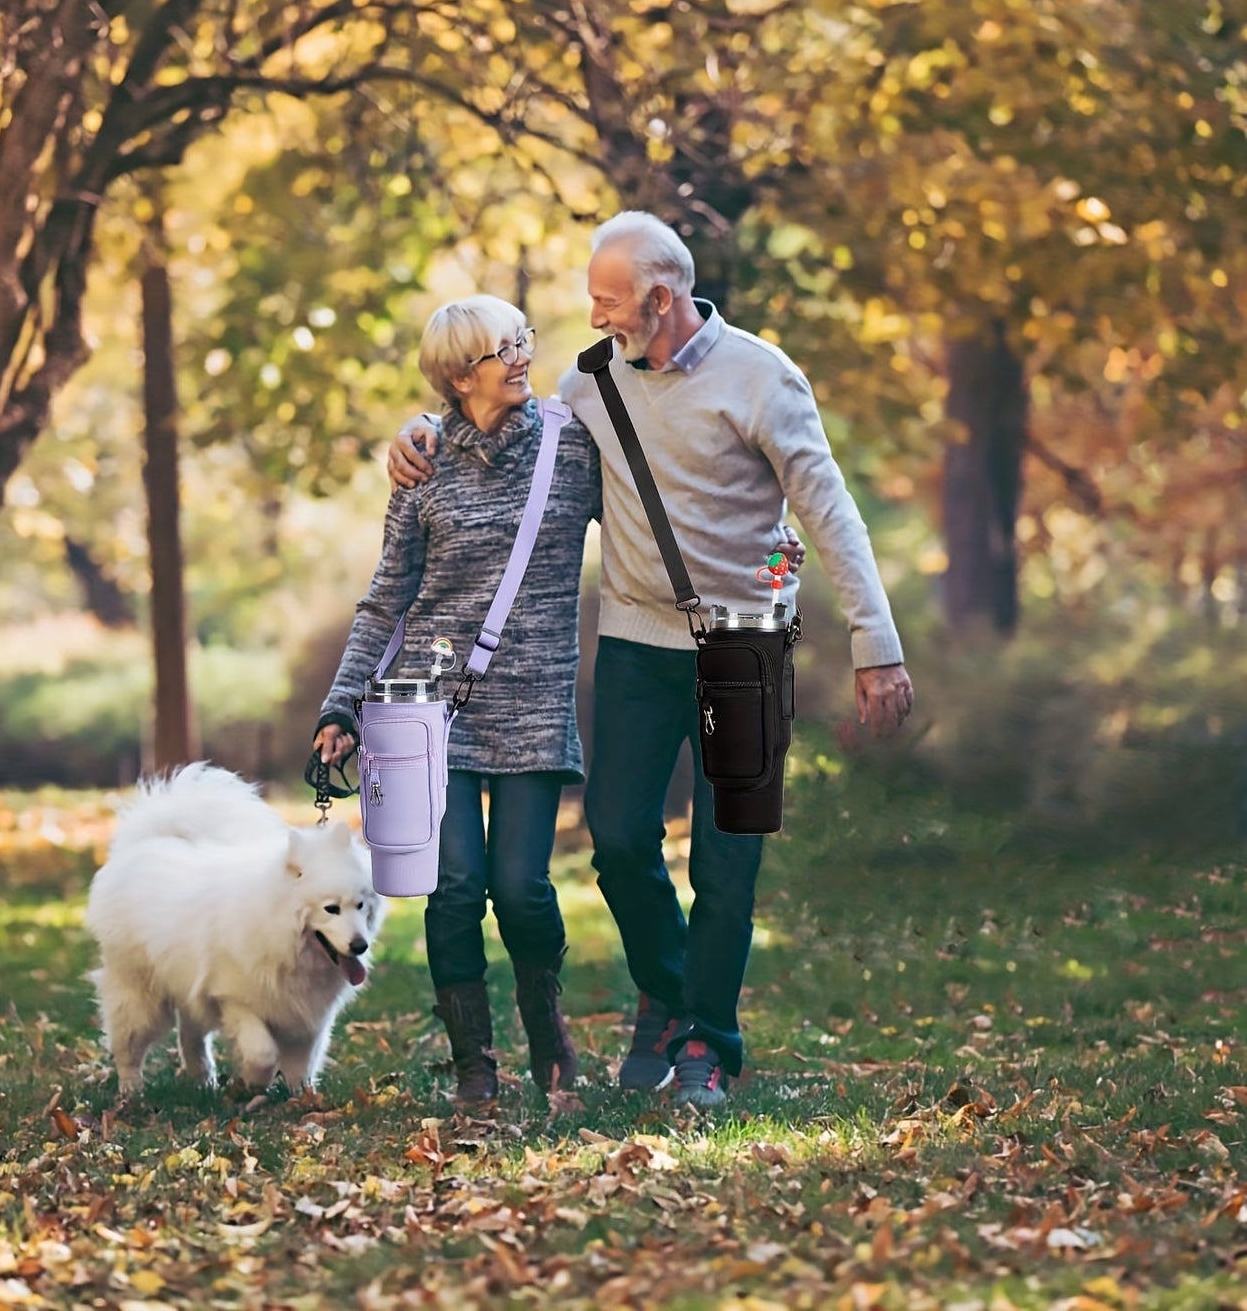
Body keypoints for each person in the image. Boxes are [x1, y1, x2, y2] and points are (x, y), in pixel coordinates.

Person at [387, 211, 913, 1110]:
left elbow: (829, 513)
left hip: (744, 649)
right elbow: (501, 440)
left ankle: (706, 1039)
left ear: (660, 299)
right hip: (635, 642)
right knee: (621, 838)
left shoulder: (763, 378)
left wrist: (877, 646)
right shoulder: (588, 385)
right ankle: (670, 995)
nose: (593, 316)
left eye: (608, 300)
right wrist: (416, 433)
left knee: (725, 862)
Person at [315, 295, 602, 1105]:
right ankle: (474, 1062)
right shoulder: (424, 464)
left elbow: (650, 520)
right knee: (452, 889)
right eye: (499, 350)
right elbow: (386, 598)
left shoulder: (572, 446)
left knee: (521, 888)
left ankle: (545, 1022)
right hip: (427, 711)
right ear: (456, 376)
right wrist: (341, 705)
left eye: (521, 340)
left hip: (533, 703)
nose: (520, 357)